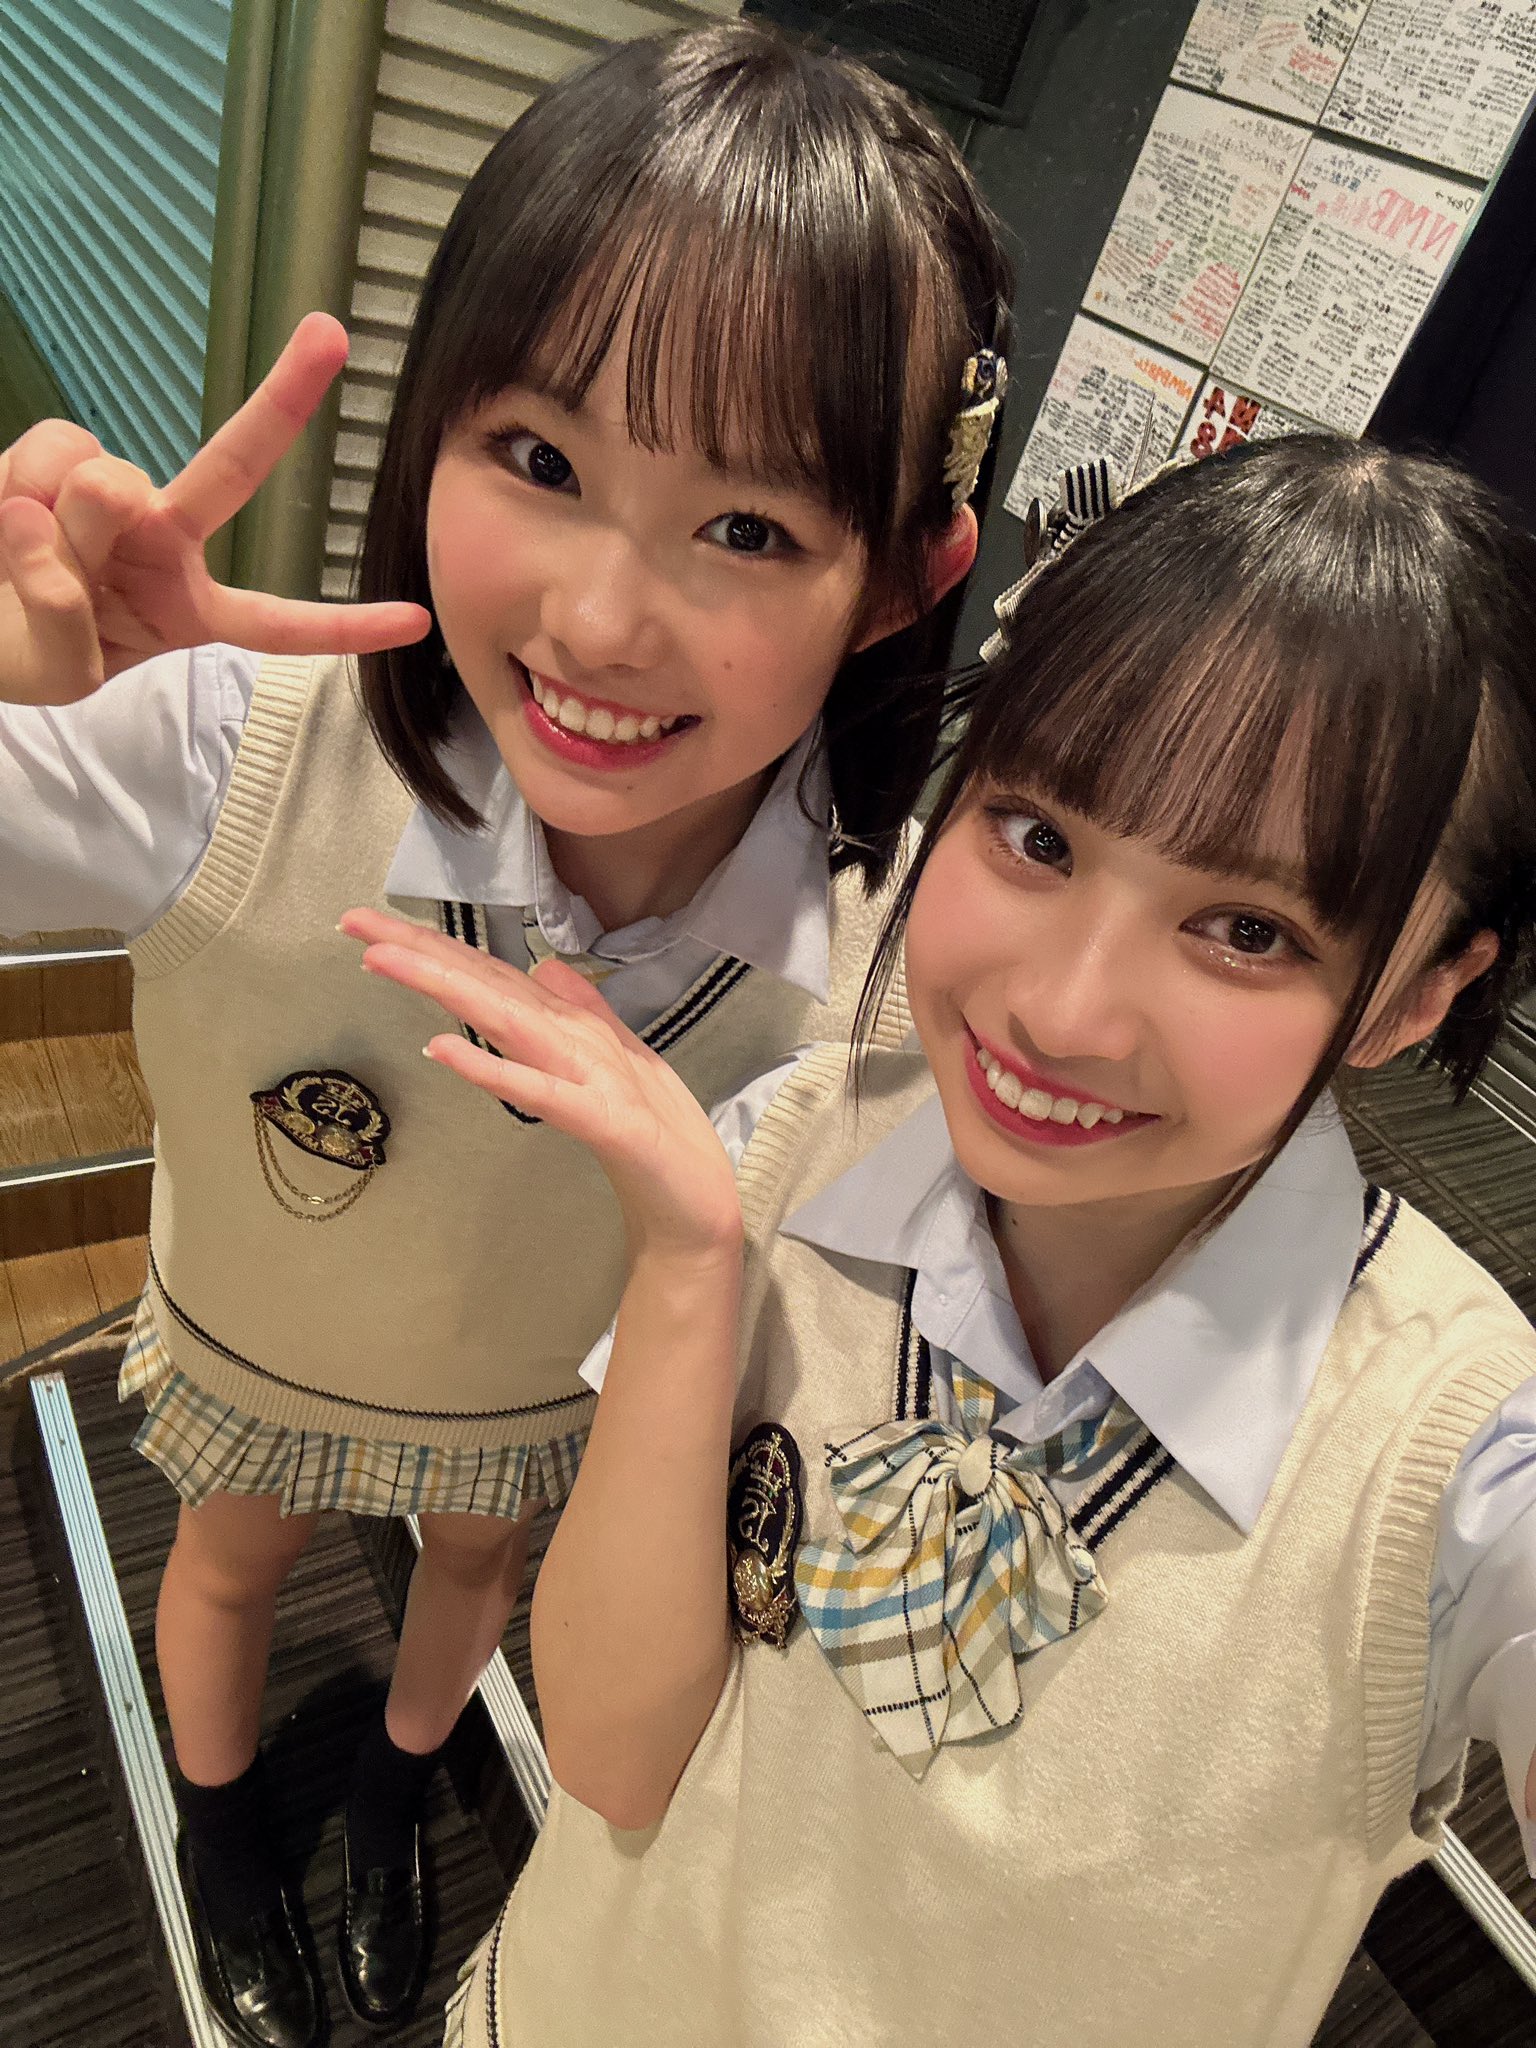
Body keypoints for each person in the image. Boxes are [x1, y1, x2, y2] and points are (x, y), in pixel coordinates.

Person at [0, 24, 1011, 2046]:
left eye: (749, 528)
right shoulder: (217, 754)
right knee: (225, 1566)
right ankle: (221, 1828)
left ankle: (394, 1791)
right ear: (433, 435)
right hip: (263, 1332)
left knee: (474, 1576)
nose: (600, 623)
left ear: (906, 580)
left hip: (537, 1396)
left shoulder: (877, 946)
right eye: (541, 463)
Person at [356, 435, 1536, 2047]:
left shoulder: (1457, 1463)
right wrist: (689, 1266)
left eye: (1246, 931)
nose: (1061, 1010)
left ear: (1416, 997)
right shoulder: (786, 1144)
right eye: (1038, 838)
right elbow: (614, 1763)